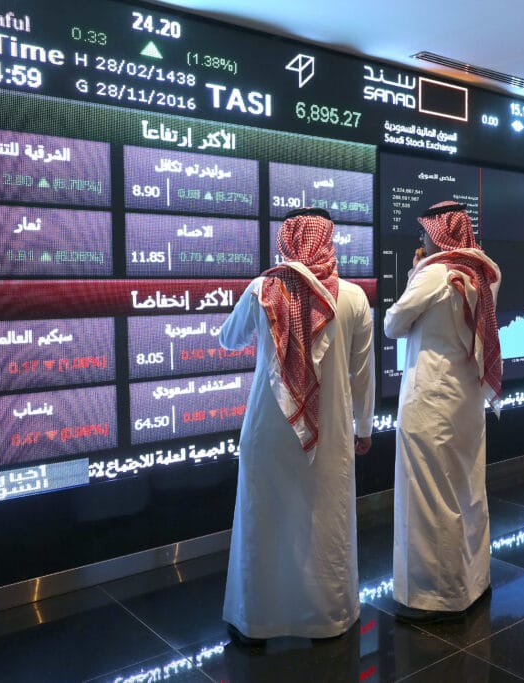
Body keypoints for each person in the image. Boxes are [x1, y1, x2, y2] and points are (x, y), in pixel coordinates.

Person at [219, 207, 375, 646]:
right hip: (332, 434)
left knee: (263, 522)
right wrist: (365, 427)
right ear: (328, 239)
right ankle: (327, 620)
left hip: (268, 433)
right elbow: (363, 374)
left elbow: (229, 339)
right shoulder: (353, 297)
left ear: (287, 239)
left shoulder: (262, 289)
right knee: (324, 524)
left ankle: (257, 623)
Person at [384, 200, 502, 623]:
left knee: (430, 498)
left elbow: (393, 324)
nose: (422, 239)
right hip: (466, 400)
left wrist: (415, 273)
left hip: (430, 401)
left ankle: (435, 597)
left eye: (425, 232)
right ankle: (473, 582)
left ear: (439, 234)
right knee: (467, 491)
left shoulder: (434, 274)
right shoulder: (485, 272)